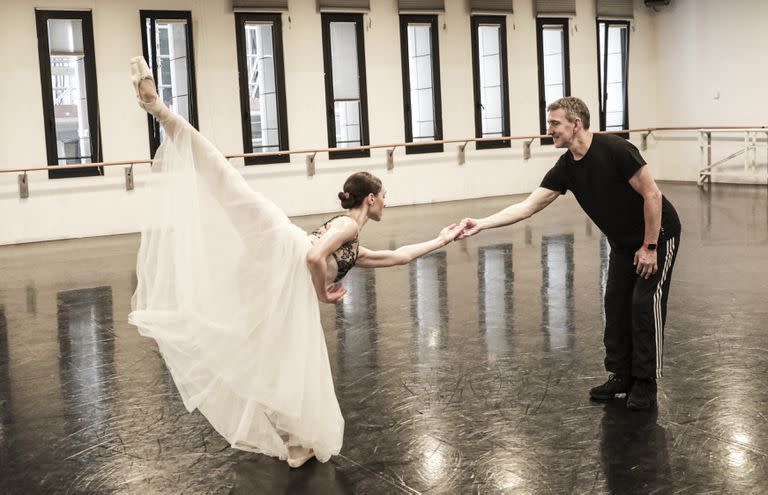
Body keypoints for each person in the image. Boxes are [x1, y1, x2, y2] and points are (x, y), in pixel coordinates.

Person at [127, 56, 462, 468]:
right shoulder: (348, 228)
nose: (387, 203)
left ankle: (296, 439)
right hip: (282, 246)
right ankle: (159, 108)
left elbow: (398, 255)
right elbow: (313, 254)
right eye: (384, 196)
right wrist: (322, 293)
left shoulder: (354, 245)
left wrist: (441, 239)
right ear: (370, 199)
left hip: (281, 275)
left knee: (283, 356)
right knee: (225, 179)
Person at [458, 96, 681, 411]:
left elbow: (652, 194)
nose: (549, 130)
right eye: (549, 123)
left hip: (657, 234)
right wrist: (481, 223)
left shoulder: (616, 150)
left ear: (576, 124)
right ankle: (621, 375)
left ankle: (646, 382)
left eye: (554, 123)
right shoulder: (566, 167)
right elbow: (528, 206)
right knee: (615, 303)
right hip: (621, 242)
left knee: (645, 302)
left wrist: (650, 247)